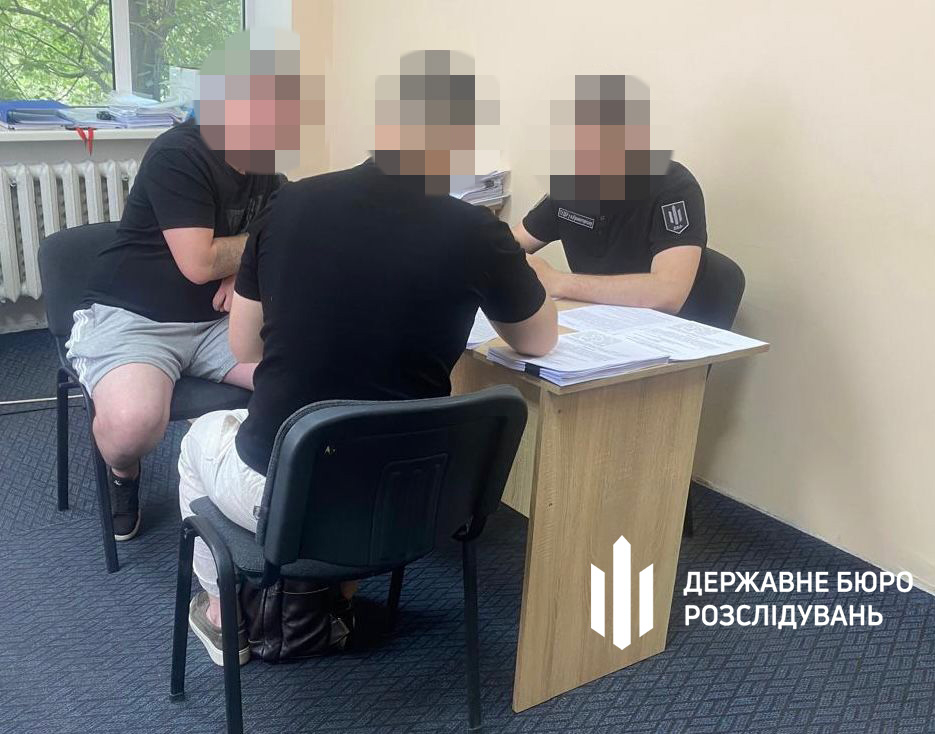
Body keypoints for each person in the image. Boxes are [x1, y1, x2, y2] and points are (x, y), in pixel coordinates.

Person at [178, 49, 558, 666]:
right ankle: (327, 601)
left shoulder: (289, 206)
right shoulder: (478, 230)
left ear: (382, 125)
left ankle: (225, 615)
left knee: (199, 437)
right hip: (414, 500)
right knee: (373, 432)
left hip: (288, 492)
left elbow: (246, 347)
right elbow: (539, 340)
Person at [65, 29, 317, 543]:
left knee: (310, 379)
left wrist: (241, 266)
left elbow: (290, 233)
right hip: (136, 317)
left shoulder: (265, 164)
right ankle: (123, 473)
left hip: (216, 322)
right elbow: (200, 262)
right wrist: (247, 252)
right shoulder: (179, 154)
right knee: (132, 426)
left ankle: (247, 476)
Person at [512, 74, 707, 314]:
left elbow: (668, 294)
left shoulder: (674, 188)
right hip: (591, 319)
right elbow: (516, 241)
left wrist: (557, 281)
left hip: (660, 327)